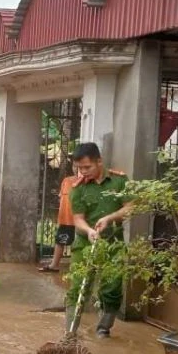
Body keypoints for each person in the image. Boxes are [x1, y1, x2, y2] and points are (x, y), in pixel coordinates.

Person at [67, 142, 132, 337]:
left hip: (112, 242)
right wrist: (88, 230)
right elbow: (78, 219)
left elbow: (130, 207)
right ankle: (70, 332)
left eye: (87, 167)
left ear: (99, 161)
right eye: (79, 168)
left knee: (112, 285)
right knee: (78, 286)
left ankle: (104, 328)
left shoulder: (119, 181)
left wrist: (109, 218)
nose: (83, 172)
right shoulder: (77, 189)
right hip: (85, 243)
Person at [40, 168, 83, 273]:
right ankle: (54, 265)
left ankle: (77, 268)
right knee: (60, 241)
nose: (78, 169)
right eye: (76, 166)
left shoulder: (87, 183)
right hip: (65, 219)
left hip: (80, 220)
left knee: (78, 244)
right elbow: (61, 197)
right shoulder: (66, 180)